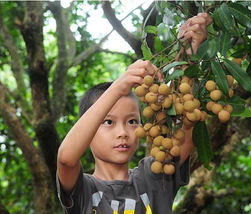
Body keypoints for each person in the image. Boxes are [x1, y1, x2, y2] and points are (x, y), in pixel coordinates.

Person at [56, 13, 212, 214]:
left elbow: (189, 124)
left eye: (132, 121)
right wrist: (119, 87)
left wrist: (188, 53)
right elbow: (66, 159)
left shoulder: (154, 177)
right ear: (90, 129)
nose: (122, 132)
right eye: (108, 122)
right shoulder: (84, 190)